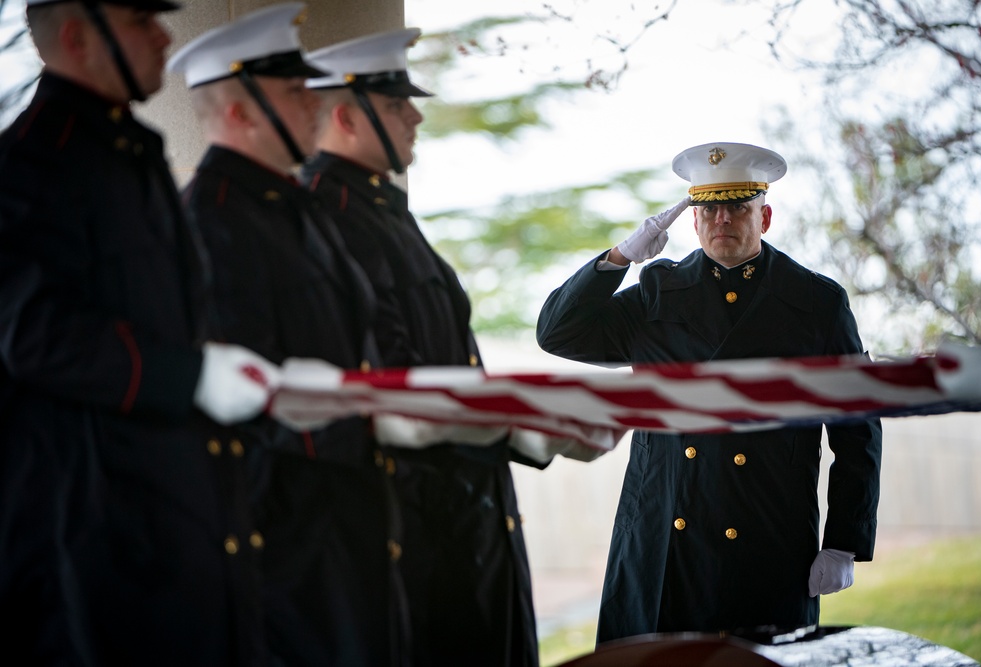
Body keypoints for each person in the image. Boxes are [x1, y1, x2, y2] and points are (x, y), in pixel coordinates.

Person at [0, 0, 278, 664]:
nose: (163, 35)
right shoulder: (28, 165)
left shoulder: (132, 152)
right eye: (139, 20)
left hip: (170, 503)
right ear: (76, 37)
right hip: (89, 520)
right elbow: (34, 334)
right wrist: (192, 377)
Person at [536, 142, 882, 641]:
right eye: (709, 209)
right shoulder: (657, 292)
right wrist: (619, 258)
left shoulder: (815, 301)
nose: (723, 219)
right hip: (662, 537)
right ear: (693, 222)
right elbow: (557, 334)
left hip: (769, 534)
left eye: (737, 207)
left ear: (764, 217)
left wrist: (845, 540)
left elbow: (858, 426)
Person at [167, 5, 409, 665]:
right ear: (242, 112)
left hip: (347, 522)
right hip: (284, 543)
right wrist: (384, 420)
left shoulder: (296, 208)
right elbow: (245, 395)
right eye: (295, 90)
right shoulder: (207, 225)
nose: (314, 102)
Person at [303, 29, 540, 667]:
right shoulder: (329, 216)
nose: (416, 115)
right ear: (347, 115)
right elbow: (392, 377)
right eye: (396, 104)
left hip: (461, 510)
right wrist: (517, 423)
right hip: (419, 523)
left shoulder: (382, 207)